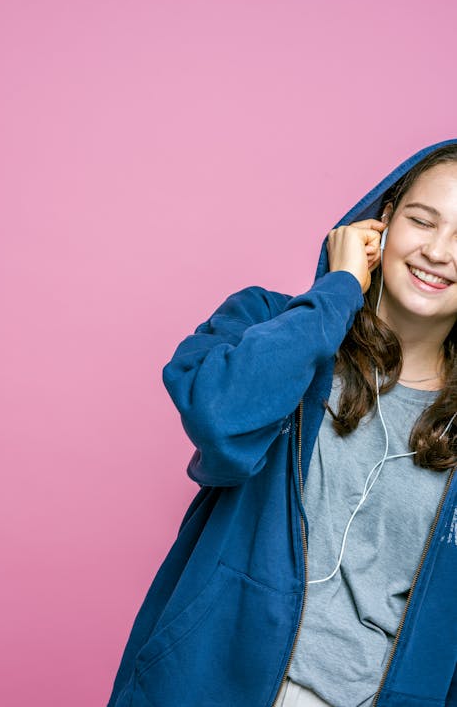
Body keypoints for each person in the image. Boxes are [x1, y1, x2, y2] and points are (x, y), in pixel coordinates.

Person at [106, 140, 457, 707]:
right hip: (208, 682)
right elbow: (218, 419)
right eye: (423, 221)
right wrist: (337, 292)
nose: (439, 252)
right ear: (383, 222)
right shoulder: (269, 324)